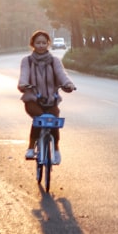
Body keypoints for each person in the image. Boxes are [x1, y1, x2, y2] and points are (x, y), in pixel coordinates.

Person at [18, 30, 76, 164]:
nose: (41, 45)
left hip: (51, 100)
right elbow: (24, 75)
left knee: (53, 120)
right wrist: (23, 84)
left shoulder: (54, 61)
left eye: (44, 43)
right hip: (32, 99)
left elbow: (62, 74)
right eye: (38, 43)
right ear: (32, 44)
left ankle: (55, 149)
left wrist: (68, 84)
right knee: (41, 119)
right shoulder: (26, 61)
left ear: (48, 44)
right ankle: (31, 147)